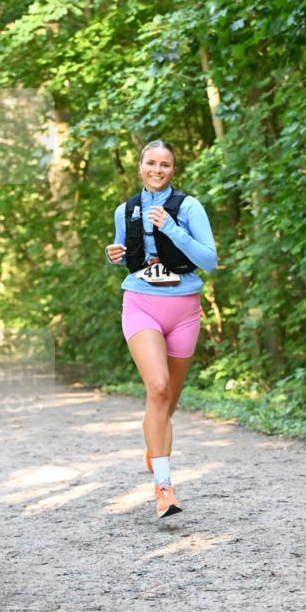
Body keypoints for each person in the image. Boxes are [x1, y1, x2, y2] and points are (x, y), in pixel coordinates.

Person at [105, 140, 217, 519]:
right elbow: (126, 252)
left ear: (173, 169)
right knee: (157, 387)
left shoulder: (189, 207)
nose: (157, 170)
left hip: (184, 308)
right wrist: (115, 254)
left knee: (167, 403)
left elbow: (210, 260)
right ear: (140, 166)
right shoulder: (126, 210)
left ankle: (155, 444)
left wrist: (172, 228)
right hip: (140, 303)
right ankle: (164, 489)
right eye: (150, 163)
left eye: (165, 164)